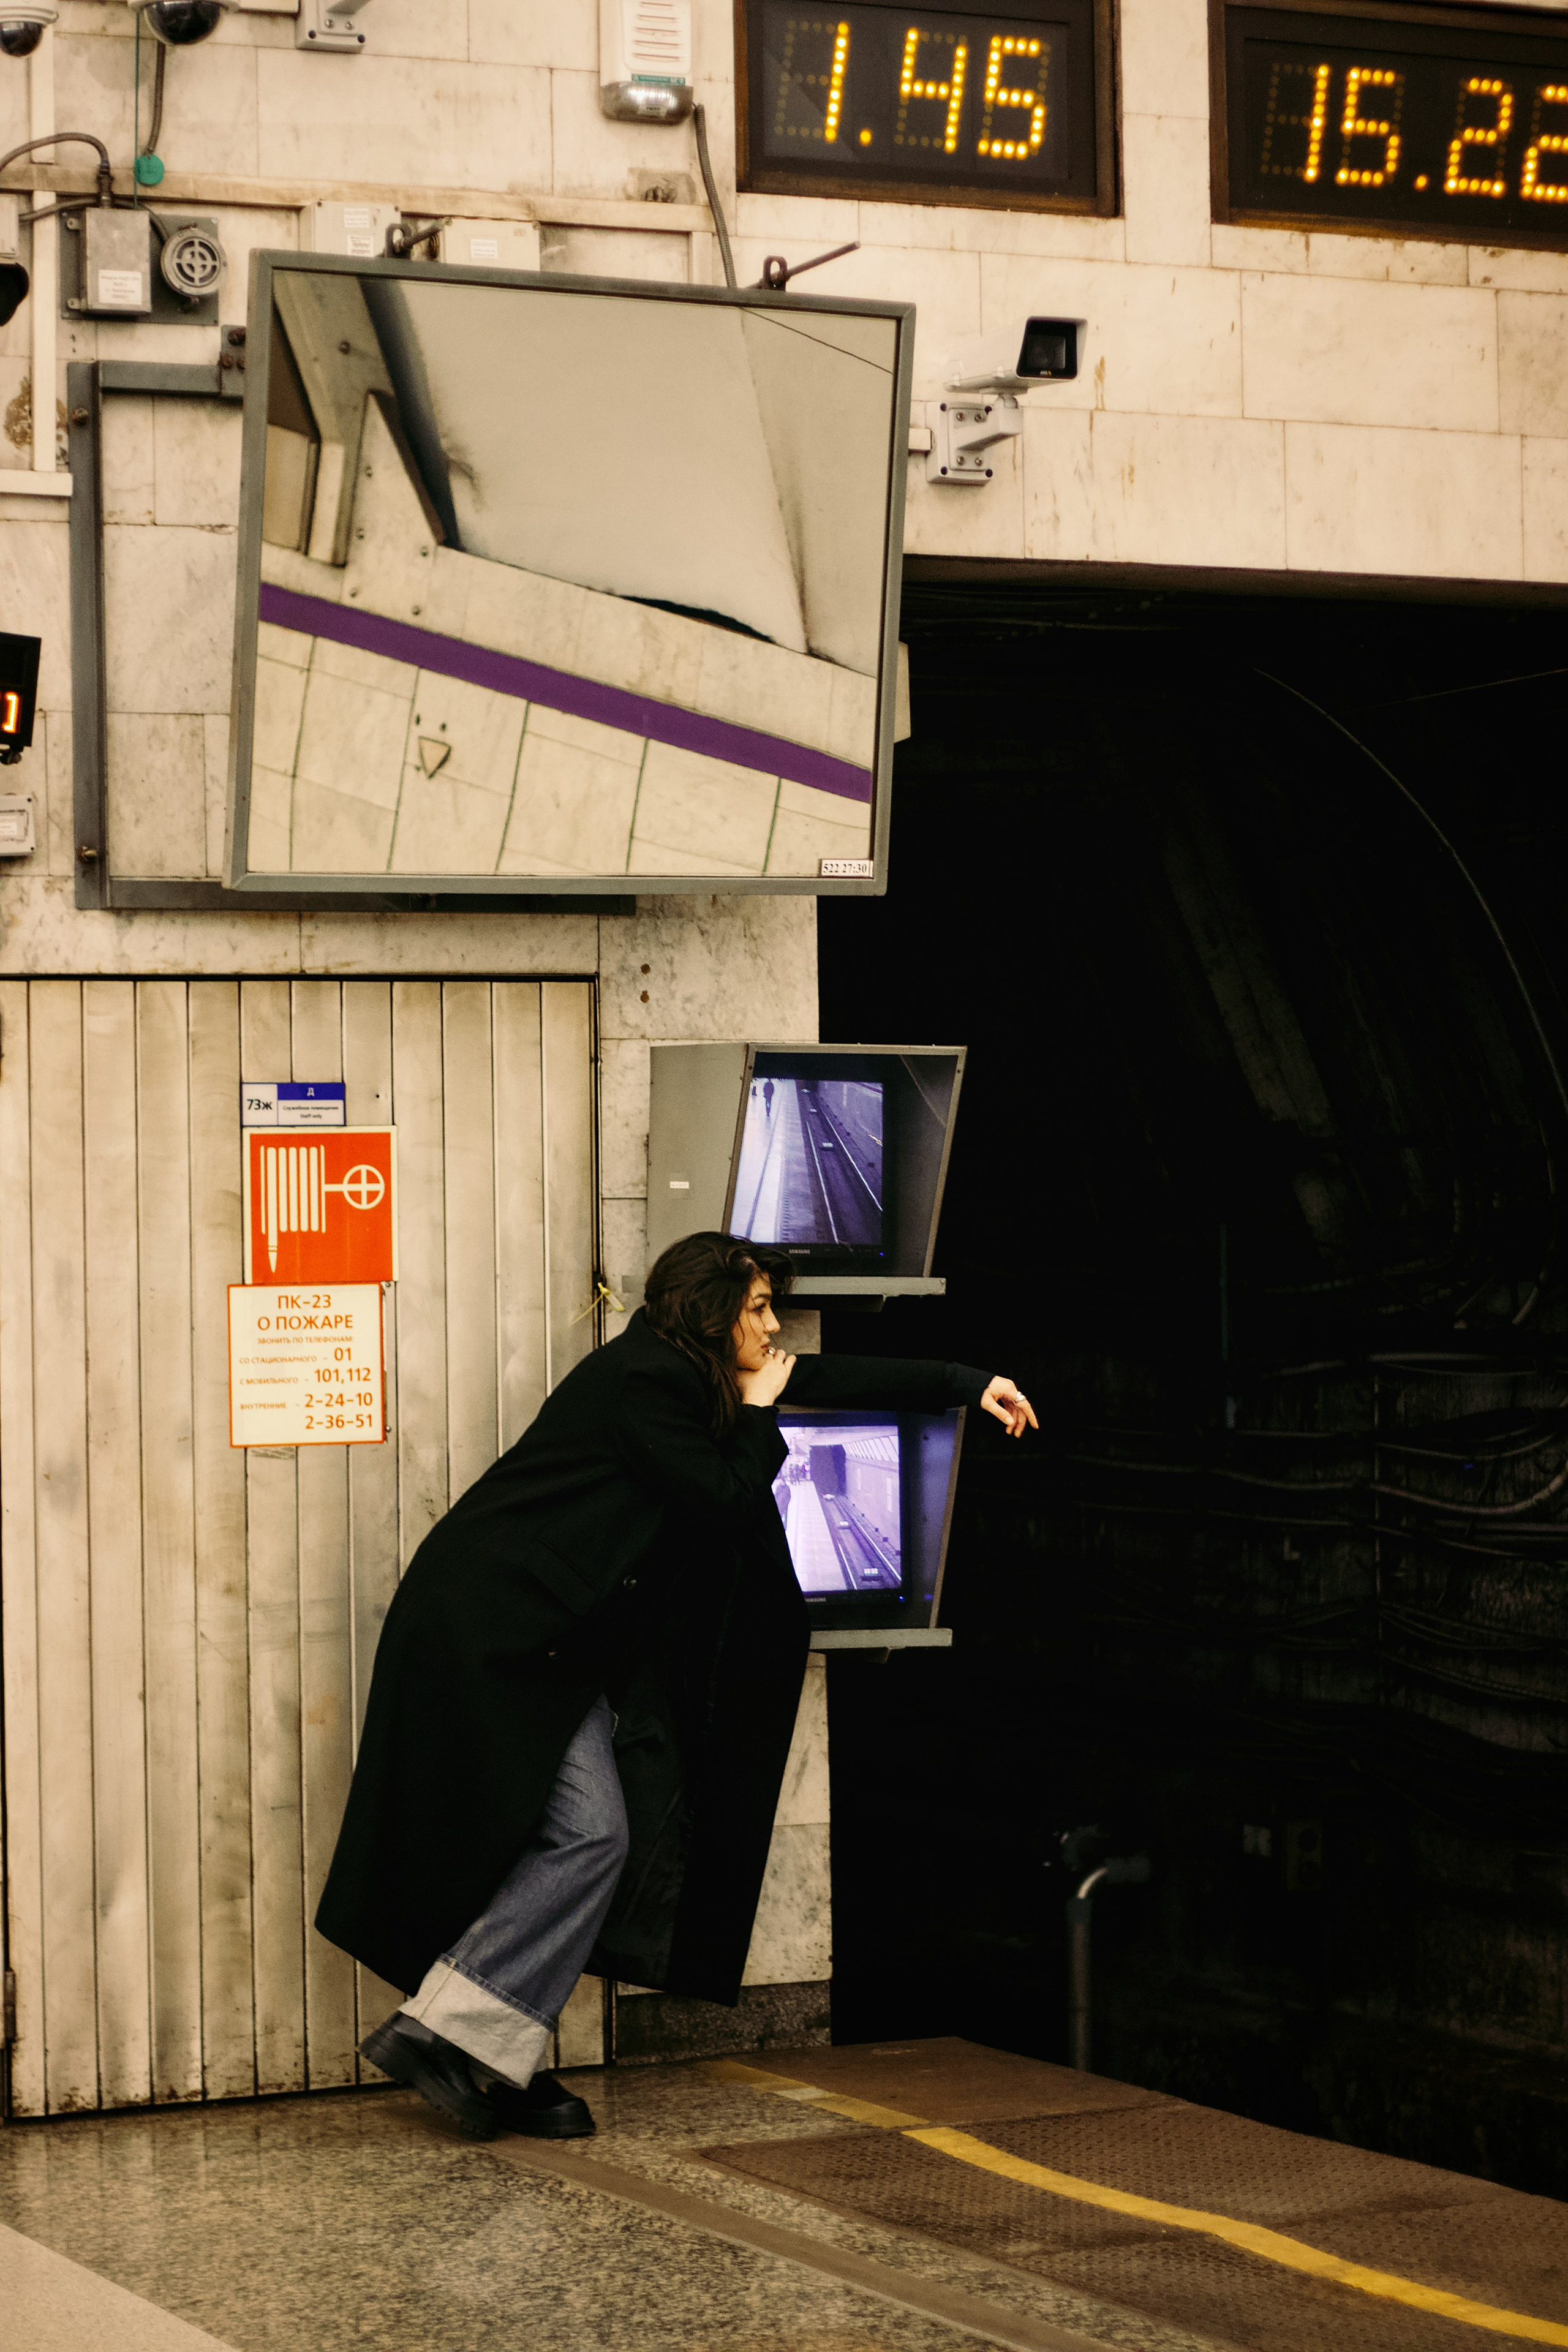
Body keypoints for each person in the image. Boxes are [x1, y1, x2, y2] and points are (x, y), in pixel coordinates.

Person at [316, 1231, 1036, 2143]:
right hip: (491, 1637)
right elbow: (727, 1499)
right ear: (711, 1314)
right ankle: (467, 2043)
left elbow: (824, 1373)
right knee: (566, 1836)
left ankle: (472, 2044)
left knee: (591, 1836)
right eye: (760, 1310)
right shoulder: (645, 1386)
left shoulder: (685, 1372)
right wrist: (767, 1415)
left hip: (553, 1648)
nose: (773, 1327)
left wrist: (967, 1382)